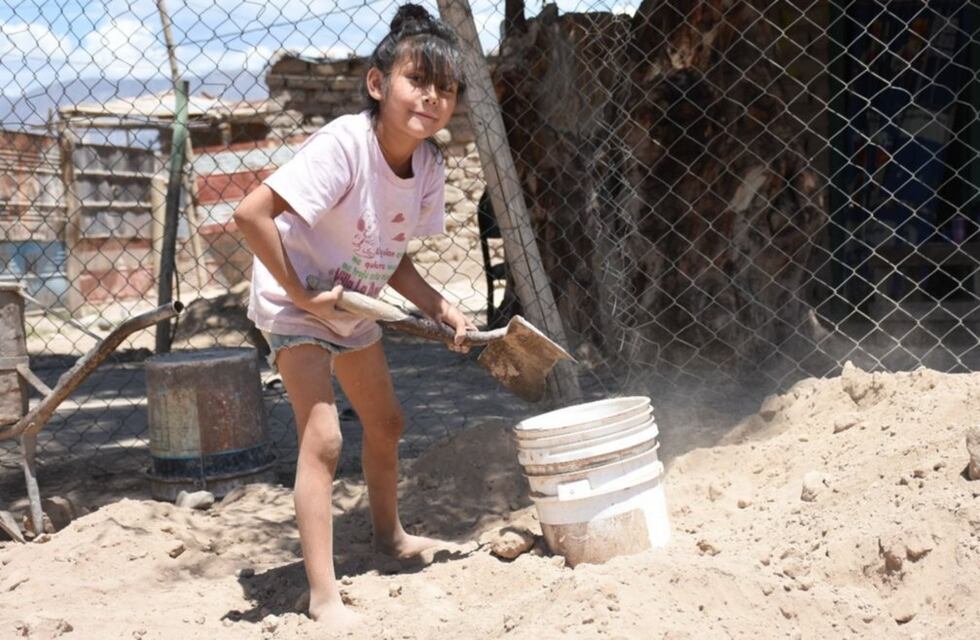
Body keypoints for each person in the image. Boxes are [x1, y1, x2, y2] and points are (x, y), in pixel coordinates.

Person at [233, 3, 471, 626]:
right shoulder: (344, 144)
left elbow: (387, 256)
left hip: (351, 301)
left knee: (387, 422)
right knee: (325, 437)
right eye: (417, 81)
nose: (432, 98)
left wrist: (441, 306)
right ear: (377, 83)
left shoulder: (428, 166)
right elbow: (250, 216)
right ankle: (323, 596)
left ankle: (388, 541)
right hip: (294, 300)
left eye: (445, 89)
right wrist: (304, 295)